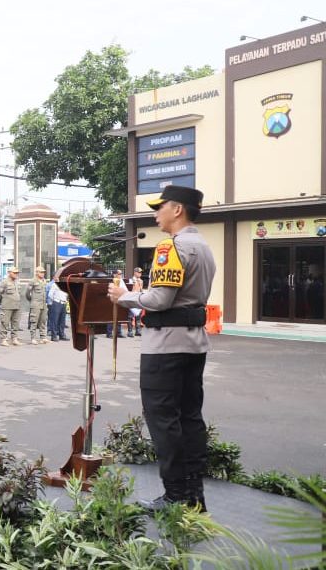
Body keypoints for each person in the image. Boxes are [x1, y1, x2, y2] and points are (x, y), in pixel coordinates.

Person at [108, 185, 216, 513]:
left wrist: (122, 296)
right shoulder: (204, 246)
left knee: (163, 419)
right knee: (189, 417)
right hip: (193, 343)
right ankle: (194, 495)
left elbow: (160, 299)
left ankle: (175, 496)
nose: (156, 213)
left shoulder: (171, 247)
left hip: (165, 346)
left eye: (160, 207)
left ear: (178, 210)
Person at [0, 267, 23, 346]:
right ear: (9, 273)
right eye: (14, 273)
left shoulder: (17, 282)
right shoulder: (4, 282)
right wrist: (5, 299)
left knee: (15, 323)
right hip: (7, 306)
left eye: (17, 273)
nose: (16, 274)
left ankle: (14, 338)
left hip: (17, 306)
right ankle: (4, 339)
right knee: (5, 323)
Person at [27, 267, 50, 344]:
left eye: (43, 272)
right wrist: (32, 300)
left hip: (43, 304)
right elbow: (27, 293)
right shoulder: (32, 281)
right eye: (41, 272)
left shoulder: (44, 281)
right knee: (34, 321)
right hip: (36, 304)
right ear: (37, 272)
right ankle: (33, 338)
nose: (43, 273)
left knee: (43, 320)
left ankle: (43, 337)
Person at [127, 267, 145, 337]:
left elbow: (141, 290)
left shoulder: (141, 281)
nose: (140, 274)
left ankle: (138, 330)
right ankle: (130, 331)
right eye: (138, 272)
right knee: (130, 316)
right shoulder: (131, 280)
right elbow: (130, 290)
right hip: (132, 299)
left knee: (138, 316)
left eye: (140, 272)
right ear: (135, 272)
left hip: (138, 299)